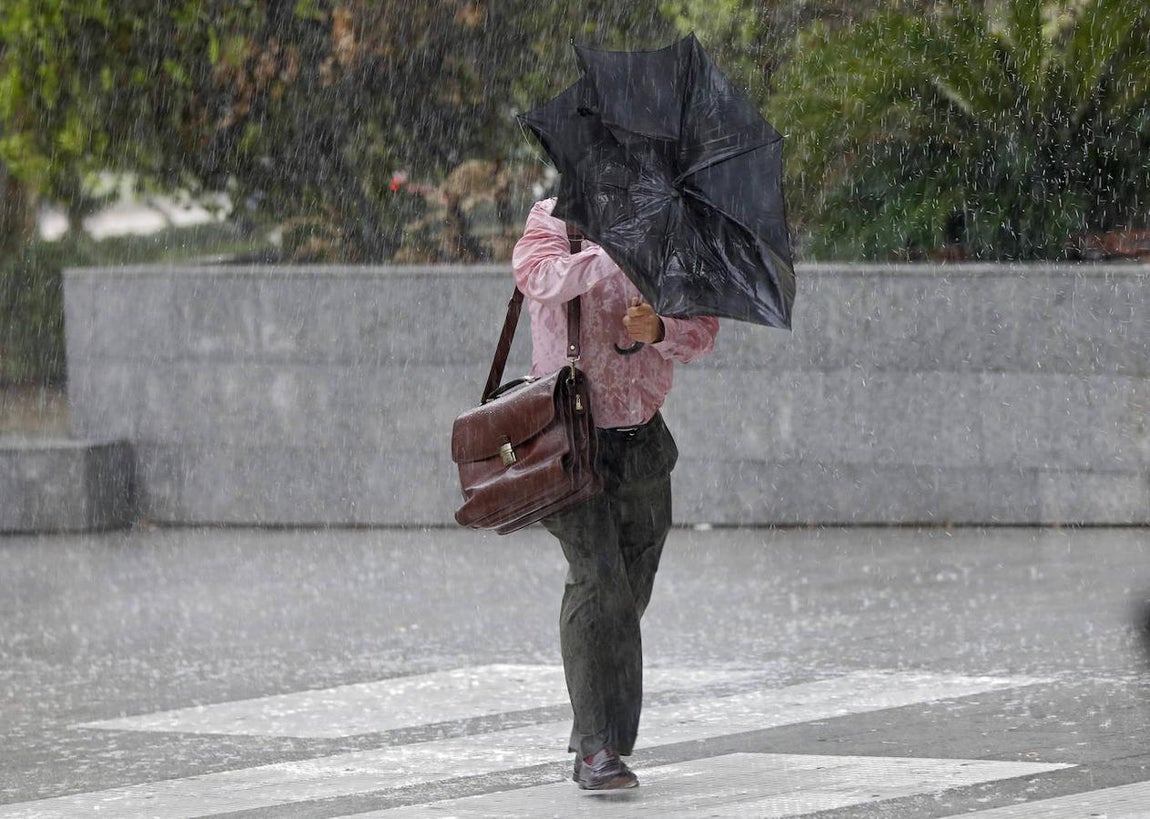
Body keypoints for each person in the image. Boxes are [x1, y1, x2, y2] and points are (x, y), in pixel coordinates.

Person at [512, 198, 719, 790]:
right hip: (569, 439)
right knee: (596, 578)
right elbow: (538, 279)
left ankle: (606, 740)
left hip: (644, 438)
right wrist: (611, 253)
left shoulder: (675, 225)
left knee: (628, 592)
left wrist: (661, 330)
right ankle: (596, 747)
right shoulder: (553, 220)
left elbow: (702, 334)